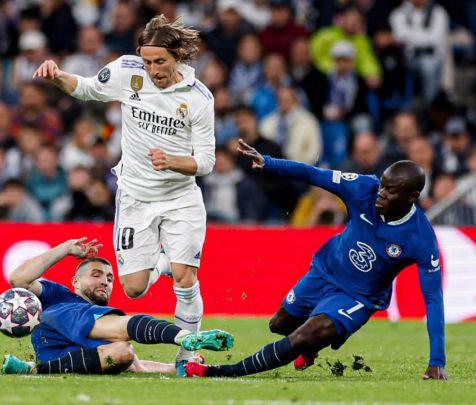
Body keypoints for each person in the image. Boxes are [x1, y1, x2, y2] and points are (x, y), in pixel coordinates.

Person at [32, 15, 215, 375]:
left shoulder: (198, 98)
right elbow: (86, 87)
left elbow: (206, 162)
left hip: (180, 198)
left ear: (178, 57)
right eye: (147, 61)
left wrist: (173, 162)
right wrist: (57, 75)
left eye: (160, 61)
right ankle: (162, 263)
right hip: (134, 198)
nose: (152, 69)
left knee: (185, 279)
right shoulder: (127, 72)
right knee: (133, 289)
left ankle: (187, 357)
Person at [186, 139, 447, 380]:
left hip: (359, 297)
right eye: (382, 185)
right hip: (326, 270)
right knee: (279, 324)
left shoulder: (420, 238)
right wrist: (269, 162)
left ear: (412, 197)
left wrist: (437, 361)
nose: (381, 193)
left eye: (391, 190)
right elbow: (314, 174)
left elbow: (433, 298)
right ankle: (313, 347)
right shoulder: (364, 188)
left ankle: (221, 371)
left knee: (303, 336)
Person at [1, 237, 233, 376]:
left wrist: (179, 368)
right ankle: (184, 336)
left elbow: (139, 368)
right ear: (75, 282)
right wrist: (66, 248)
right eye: (96, 275)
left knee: (123, 352)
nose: (105, 281)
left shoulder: (102, 319)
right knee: (121, 327)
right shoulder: (59, 295)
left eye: (110, 278)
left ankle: (32, 369)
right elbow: (18, 279)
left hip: (61, 358)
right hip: (60, 323)